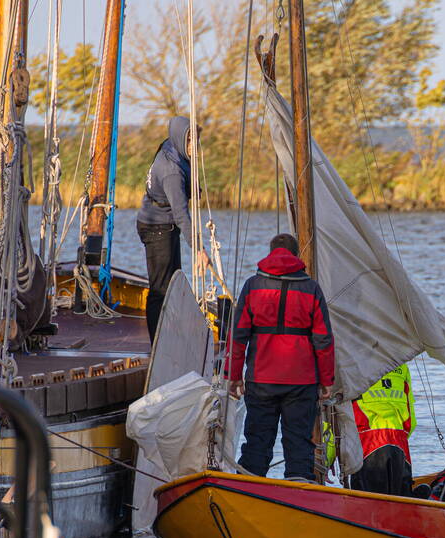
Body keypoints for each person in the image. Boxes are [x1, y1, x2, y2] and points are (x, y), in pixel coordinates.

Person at [225, 233, 334, 481]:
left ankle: (250, 495)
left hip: (261, 377)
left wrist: (233, 376)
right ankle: (299, 499)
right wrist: (326, 380)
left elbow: (238, 335)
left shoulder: (252, 286)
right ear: (297, 256)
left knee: (257, 443)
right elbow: (324, 340)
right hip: (302, 380)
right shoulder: (311, 288)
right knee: (299, 445)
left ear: (270, 252)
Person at [135, 115, 211, 341]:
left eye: (195, 141)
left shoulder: (171, 147)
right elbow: (181, 215)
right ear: (180, 139)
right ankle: (158, 344)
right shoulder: (171, 171)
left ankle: (169, 337)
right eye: (189, 141)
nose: (193, 147)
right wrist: (199, 249)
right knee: (161, 289)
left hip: (162, 224)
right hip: (157, 227)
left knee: (173, 283)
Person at [348, 364, 418, 496]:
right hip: (400, 443)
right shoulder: (401, 365)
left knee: (367, 504)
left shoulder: (352, 362)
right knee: (401, 502)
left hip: (368, 443)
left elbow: (339, 418)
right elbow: (411, 421)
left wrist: (328, 459)